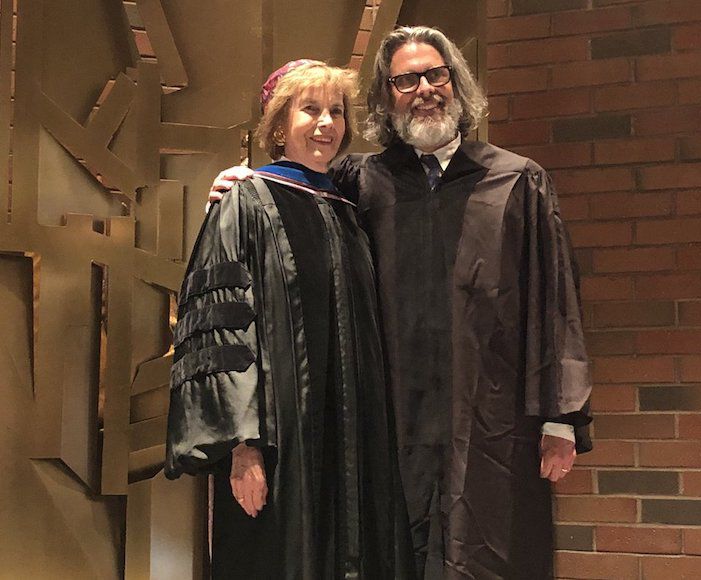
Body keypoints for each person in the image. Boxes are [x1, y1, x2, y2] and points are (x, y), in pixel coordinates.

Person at [211, 26, 593, 580]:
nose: (424, 89)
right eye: (406, 80)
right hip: (388, 422)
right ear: (387, 99)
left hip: (490, 418)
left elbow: (555, 300)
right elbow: (289, 206)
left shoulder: (516, 181)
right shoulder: (358, 181)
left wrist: (561, 417)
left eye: (436, 74)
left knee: (491, 553)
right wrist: (238, 187)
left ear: (456, 84)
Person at [165, 60, 414, 579]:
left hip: (353, 440)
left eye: (337, 111)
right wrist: (243, 447)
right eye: (311, 109)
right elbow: (222, 329)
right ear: (279, 125)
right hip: (279, 442)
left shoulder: (348, 208)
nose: (327, 123)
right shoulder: (245, 201)